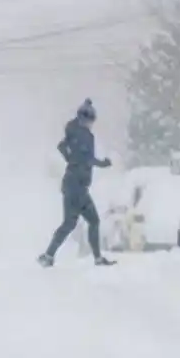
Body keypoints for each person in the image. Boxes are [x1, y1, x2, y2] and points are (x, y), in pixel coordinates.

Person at [39, 98, 116, 267]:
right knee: (92, 221)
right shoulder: (85, 135)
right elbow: (86, 158)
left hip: (71, 183)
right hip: (78, 186)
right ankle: (95, 258)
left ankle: (49, 255)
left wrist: (70, 159)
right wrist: (103, 163)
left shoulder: (72, 130)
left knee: (70, 223)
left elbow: (62, 146)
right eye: (90, 120)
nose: (91, 124)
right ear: (87, 119)